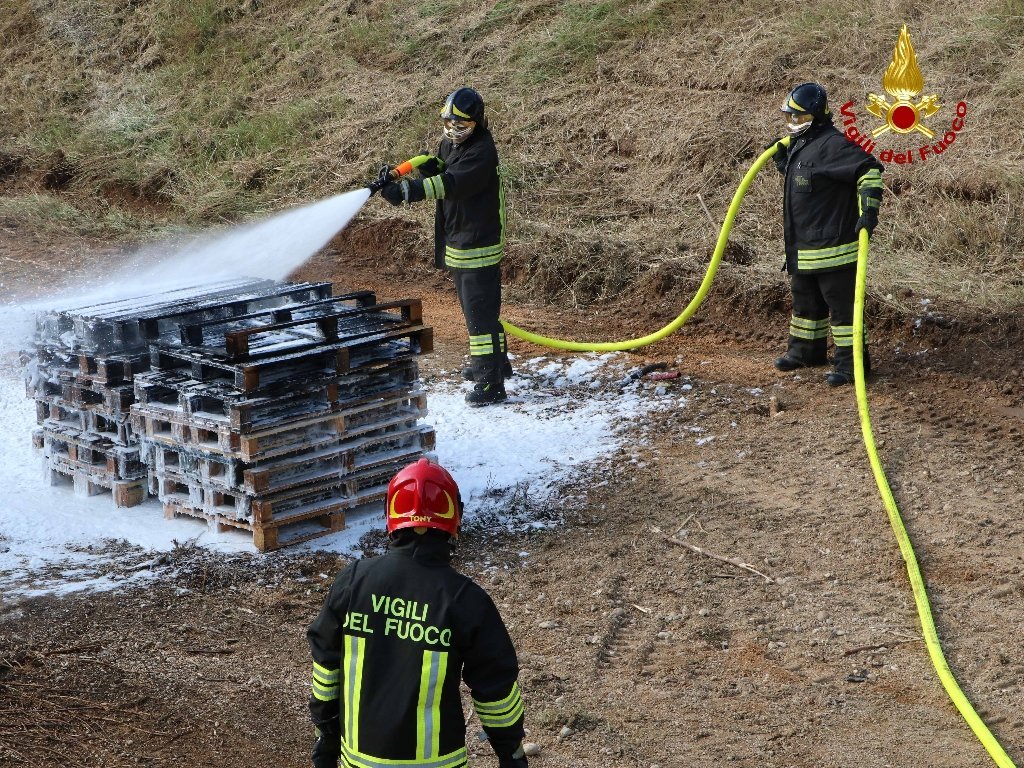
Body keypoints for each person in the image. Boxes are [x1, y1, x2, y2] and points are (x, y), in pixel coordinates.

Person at [307, 458, 528, 768]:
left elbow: (326, 671)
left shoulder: (353, 582)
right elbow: (496, 693)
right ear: (454, 517)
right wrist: (511, 753)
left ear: (391, 515)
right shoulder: (466, 600)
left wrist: (327, 735)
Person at [380, 87, 511, 406]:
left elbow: (451, 183)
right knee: (479, 312)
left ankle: (489, 383)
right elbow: (442, 169)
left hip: (477, 245)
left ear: (477, 123)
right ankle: (497, 364)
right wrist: (405, 172)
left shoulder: (482, 151)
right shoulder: (452, 144)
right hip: (460, 240)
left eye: (460, 124)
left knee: (480, 319)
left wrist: (408, 191)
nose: (453, 130)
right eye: (448, 122)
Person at [770, 82, 885, 386]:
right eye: (790, 118)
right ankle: (806, 352)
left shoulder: (832, 144)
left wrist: (868, 213)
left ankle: (851, 366)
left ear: (817, 117)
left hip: (834, 248)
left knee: (843, 312)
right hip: (804, 247)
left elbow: (869, 170)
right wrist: (786, 166)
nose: (793, 124)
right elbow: (813, 181)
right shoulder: (803, 145)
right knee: (806, 305)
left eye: (800, 118)